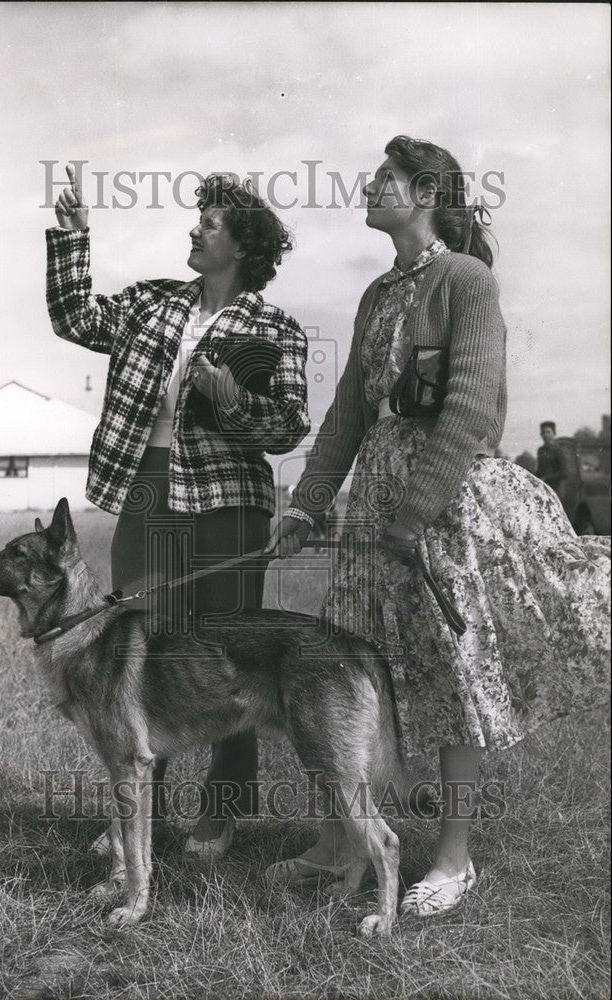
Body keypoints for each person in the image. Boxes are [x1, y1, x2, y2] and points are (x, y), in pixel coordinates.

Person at [264, 135, 611, 917]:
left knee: (454, 681)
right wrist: (307, 506)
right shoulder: (376, 293)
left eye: (383, 178)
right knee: (350, 673)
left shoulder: (467, 280)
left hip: (440, 507)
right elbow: (348, 414)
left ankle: (454, 860)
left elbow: (467, 407)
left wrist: (413, 515)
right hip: (374, 507)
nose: (367, 185)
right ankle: (340, 842)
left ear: (423, 193)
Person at [46, 166, 310, 857]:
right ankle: (139, 811)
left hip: (230, 503)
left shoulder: (272, 327)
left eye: (211, 222)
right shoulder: (151, 304)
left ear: (244, 245)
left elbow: (287, 428)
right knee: (138, 651)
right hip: (147, 489)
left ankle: (223, 809)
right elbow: (76, 318)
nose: (196, 228)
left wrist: (232, 402)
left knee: (229, 658)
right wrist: (73, 240)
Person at [535, 421, 568, 498]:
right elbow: (539, 470)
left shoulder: (558, 450)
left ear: (554, 433)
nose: (545, 435)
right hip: (542, 489)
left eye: (548, 432)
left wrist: (546, 478)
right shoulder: (541, 450)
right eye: (543, 432)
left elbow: (564, 473)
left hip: (555, 490)